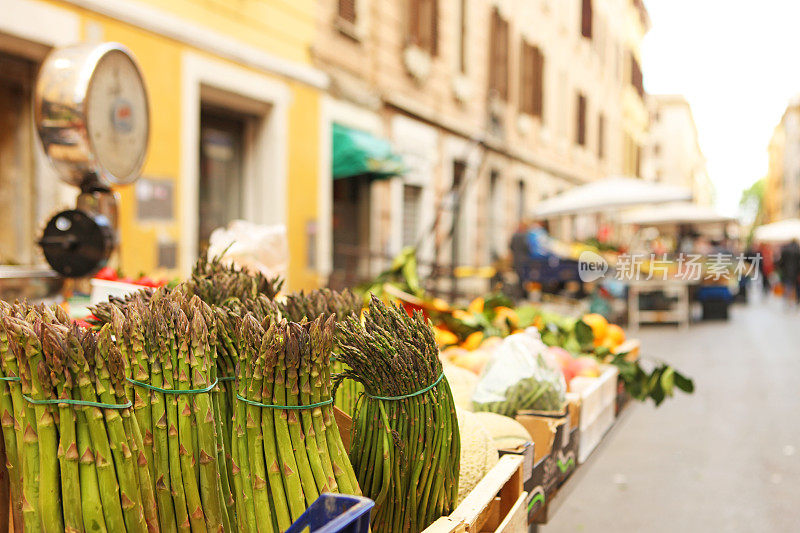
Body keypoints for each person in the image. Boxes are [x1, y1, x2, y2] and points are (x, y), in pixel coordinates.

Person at [777, 239, 800, 305]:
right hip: (796, 272)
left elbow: (781, 262)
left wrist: (780, 268)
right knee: (795, 286)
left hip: (786, 271)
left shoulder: (785, 250)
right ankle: (794, 300)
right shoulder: (798, 249)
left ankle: (787, 300)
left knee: (787, 285)